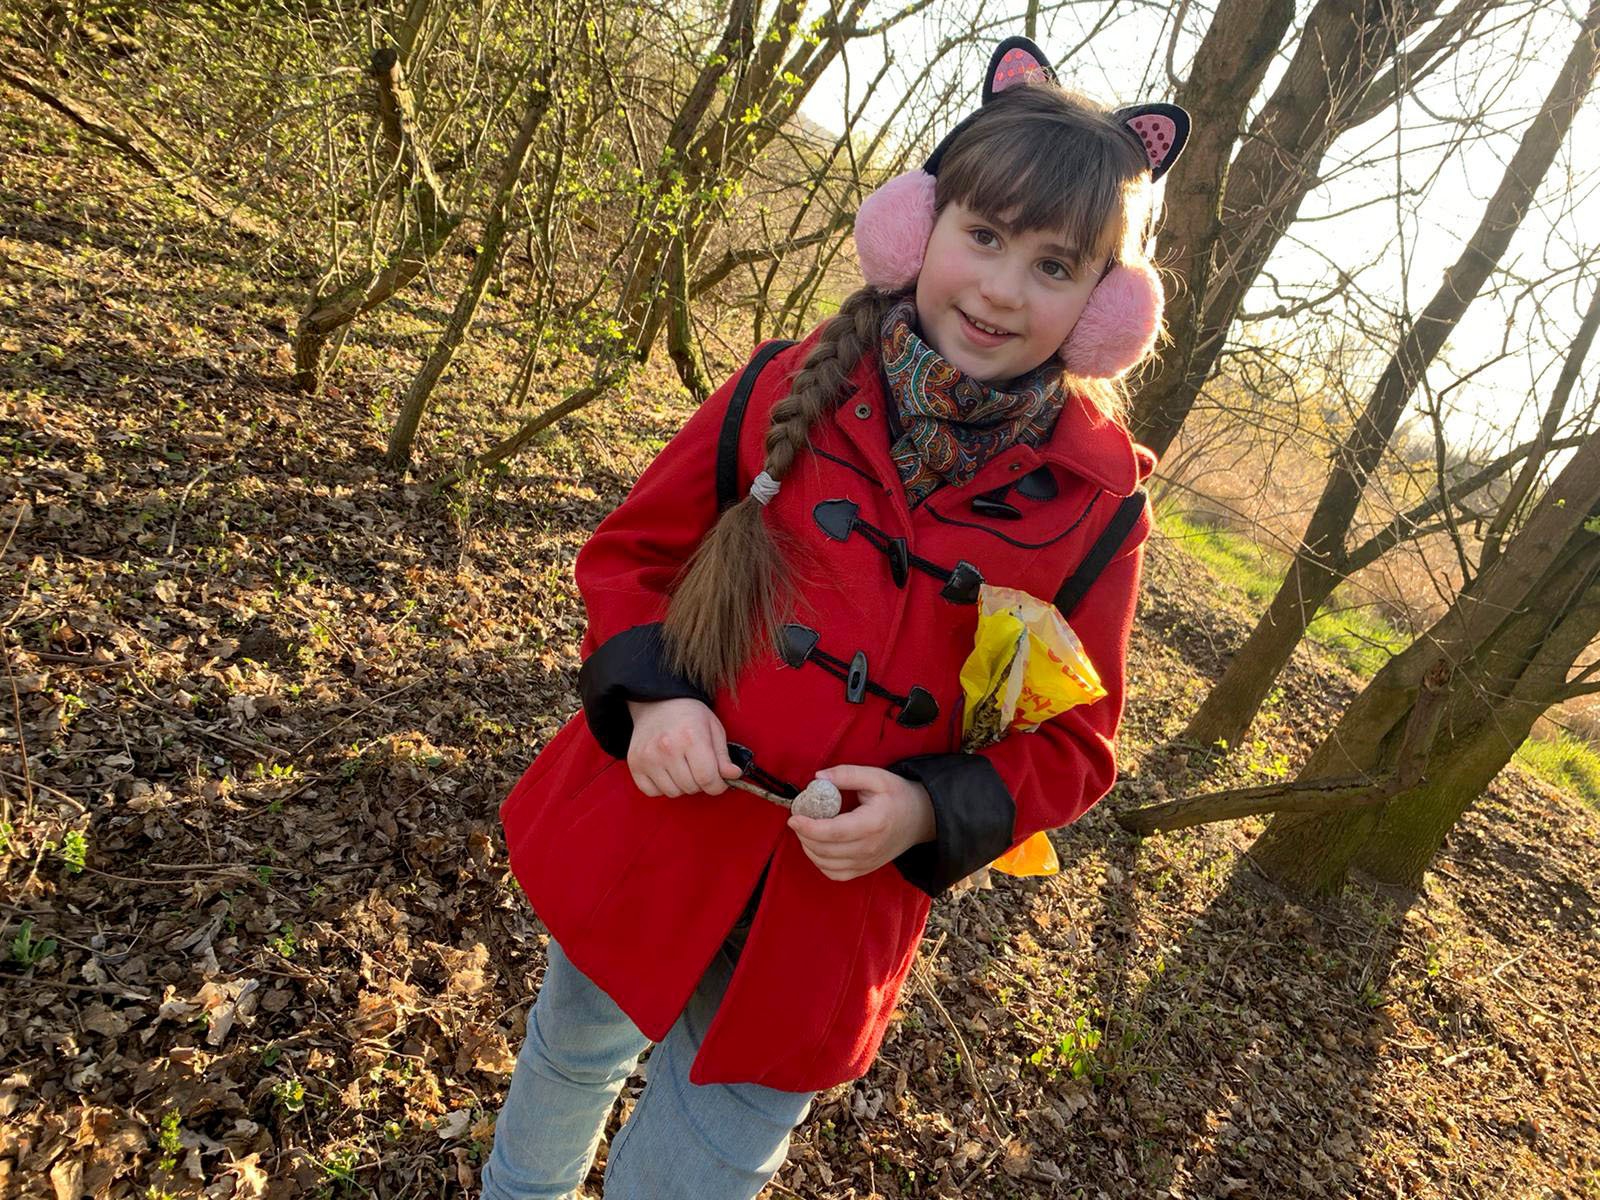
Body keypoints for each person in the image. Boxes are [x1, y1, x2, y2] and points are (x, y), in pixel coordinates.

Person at [481, 35, 1191, 1200]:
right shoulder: (784, 384)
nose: (1002, 289)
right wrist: (653, 699)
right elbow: (631, 557)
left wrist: (925, 809)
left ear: (1105, 306)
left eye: (1054, 265)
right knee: (567, 1067)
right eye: (983, 236)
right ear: (920, 225)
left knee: (694, 1179)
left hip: (827, 922)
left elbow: (1076, 743)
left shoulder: (1098, 510)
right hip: (656, 833)